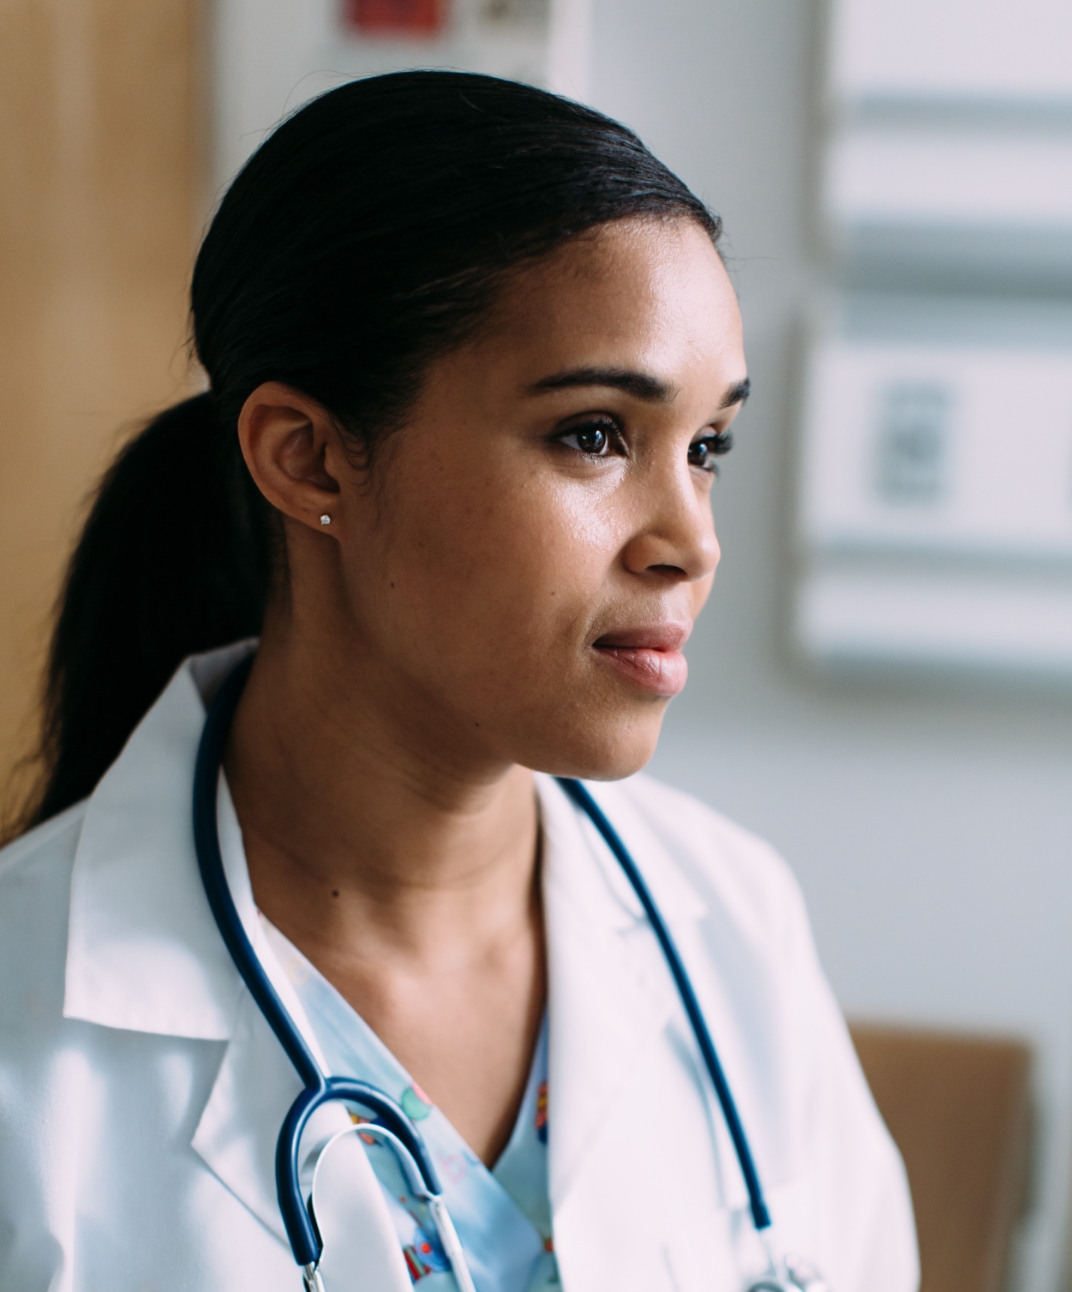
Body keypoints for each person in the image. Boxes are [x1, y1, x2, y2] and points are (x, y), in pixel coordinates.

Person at [0, 71, 916, 1292]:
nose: (688, 540)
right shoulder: (27, 1037)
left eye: (706, 448)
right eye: (593, 433)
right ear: (307, 454)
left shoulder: (732, 917)